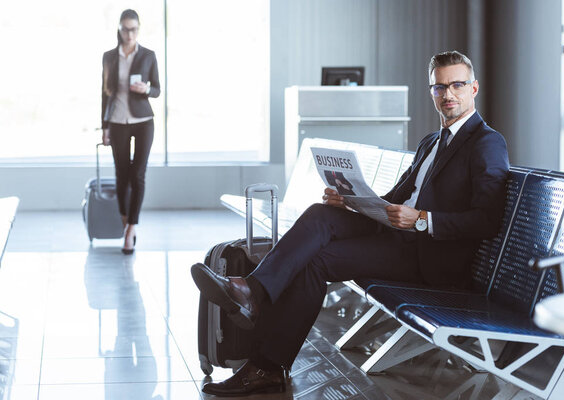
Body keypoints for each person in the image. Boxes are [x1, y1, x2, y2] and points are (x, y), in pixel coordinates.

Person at [191, 50, 509, 396]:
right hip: (397, 234)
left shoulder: (487, 143)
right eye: (439, 87)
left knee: (317, 261)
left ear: (473, 88)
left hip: (429, 256)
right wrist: (352, 200)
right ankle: (252, 293)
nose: (447, 94)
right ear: (431, 91)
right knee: (320, 213)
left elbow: (486, 220)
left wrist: (421, 220)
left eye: (457, 85)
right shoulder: (431, 142)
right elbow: (395, 196)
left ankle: (265, 358)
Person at [101, 9, 160, 254]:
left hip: (143, 120)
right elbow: (103, 93)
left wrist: (145, 88)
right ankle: (126, 220)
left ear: (138, 29)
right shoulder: (109, 57)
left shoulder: (148, 55)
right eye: (125, 29)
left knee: (138, 175)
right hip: (116, 121)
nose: (129, 34)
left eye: (133, 29)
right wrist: (104, 126)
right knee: (122, 176)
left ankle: (131, 228)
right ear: (119, 29)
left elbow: (157, 90)